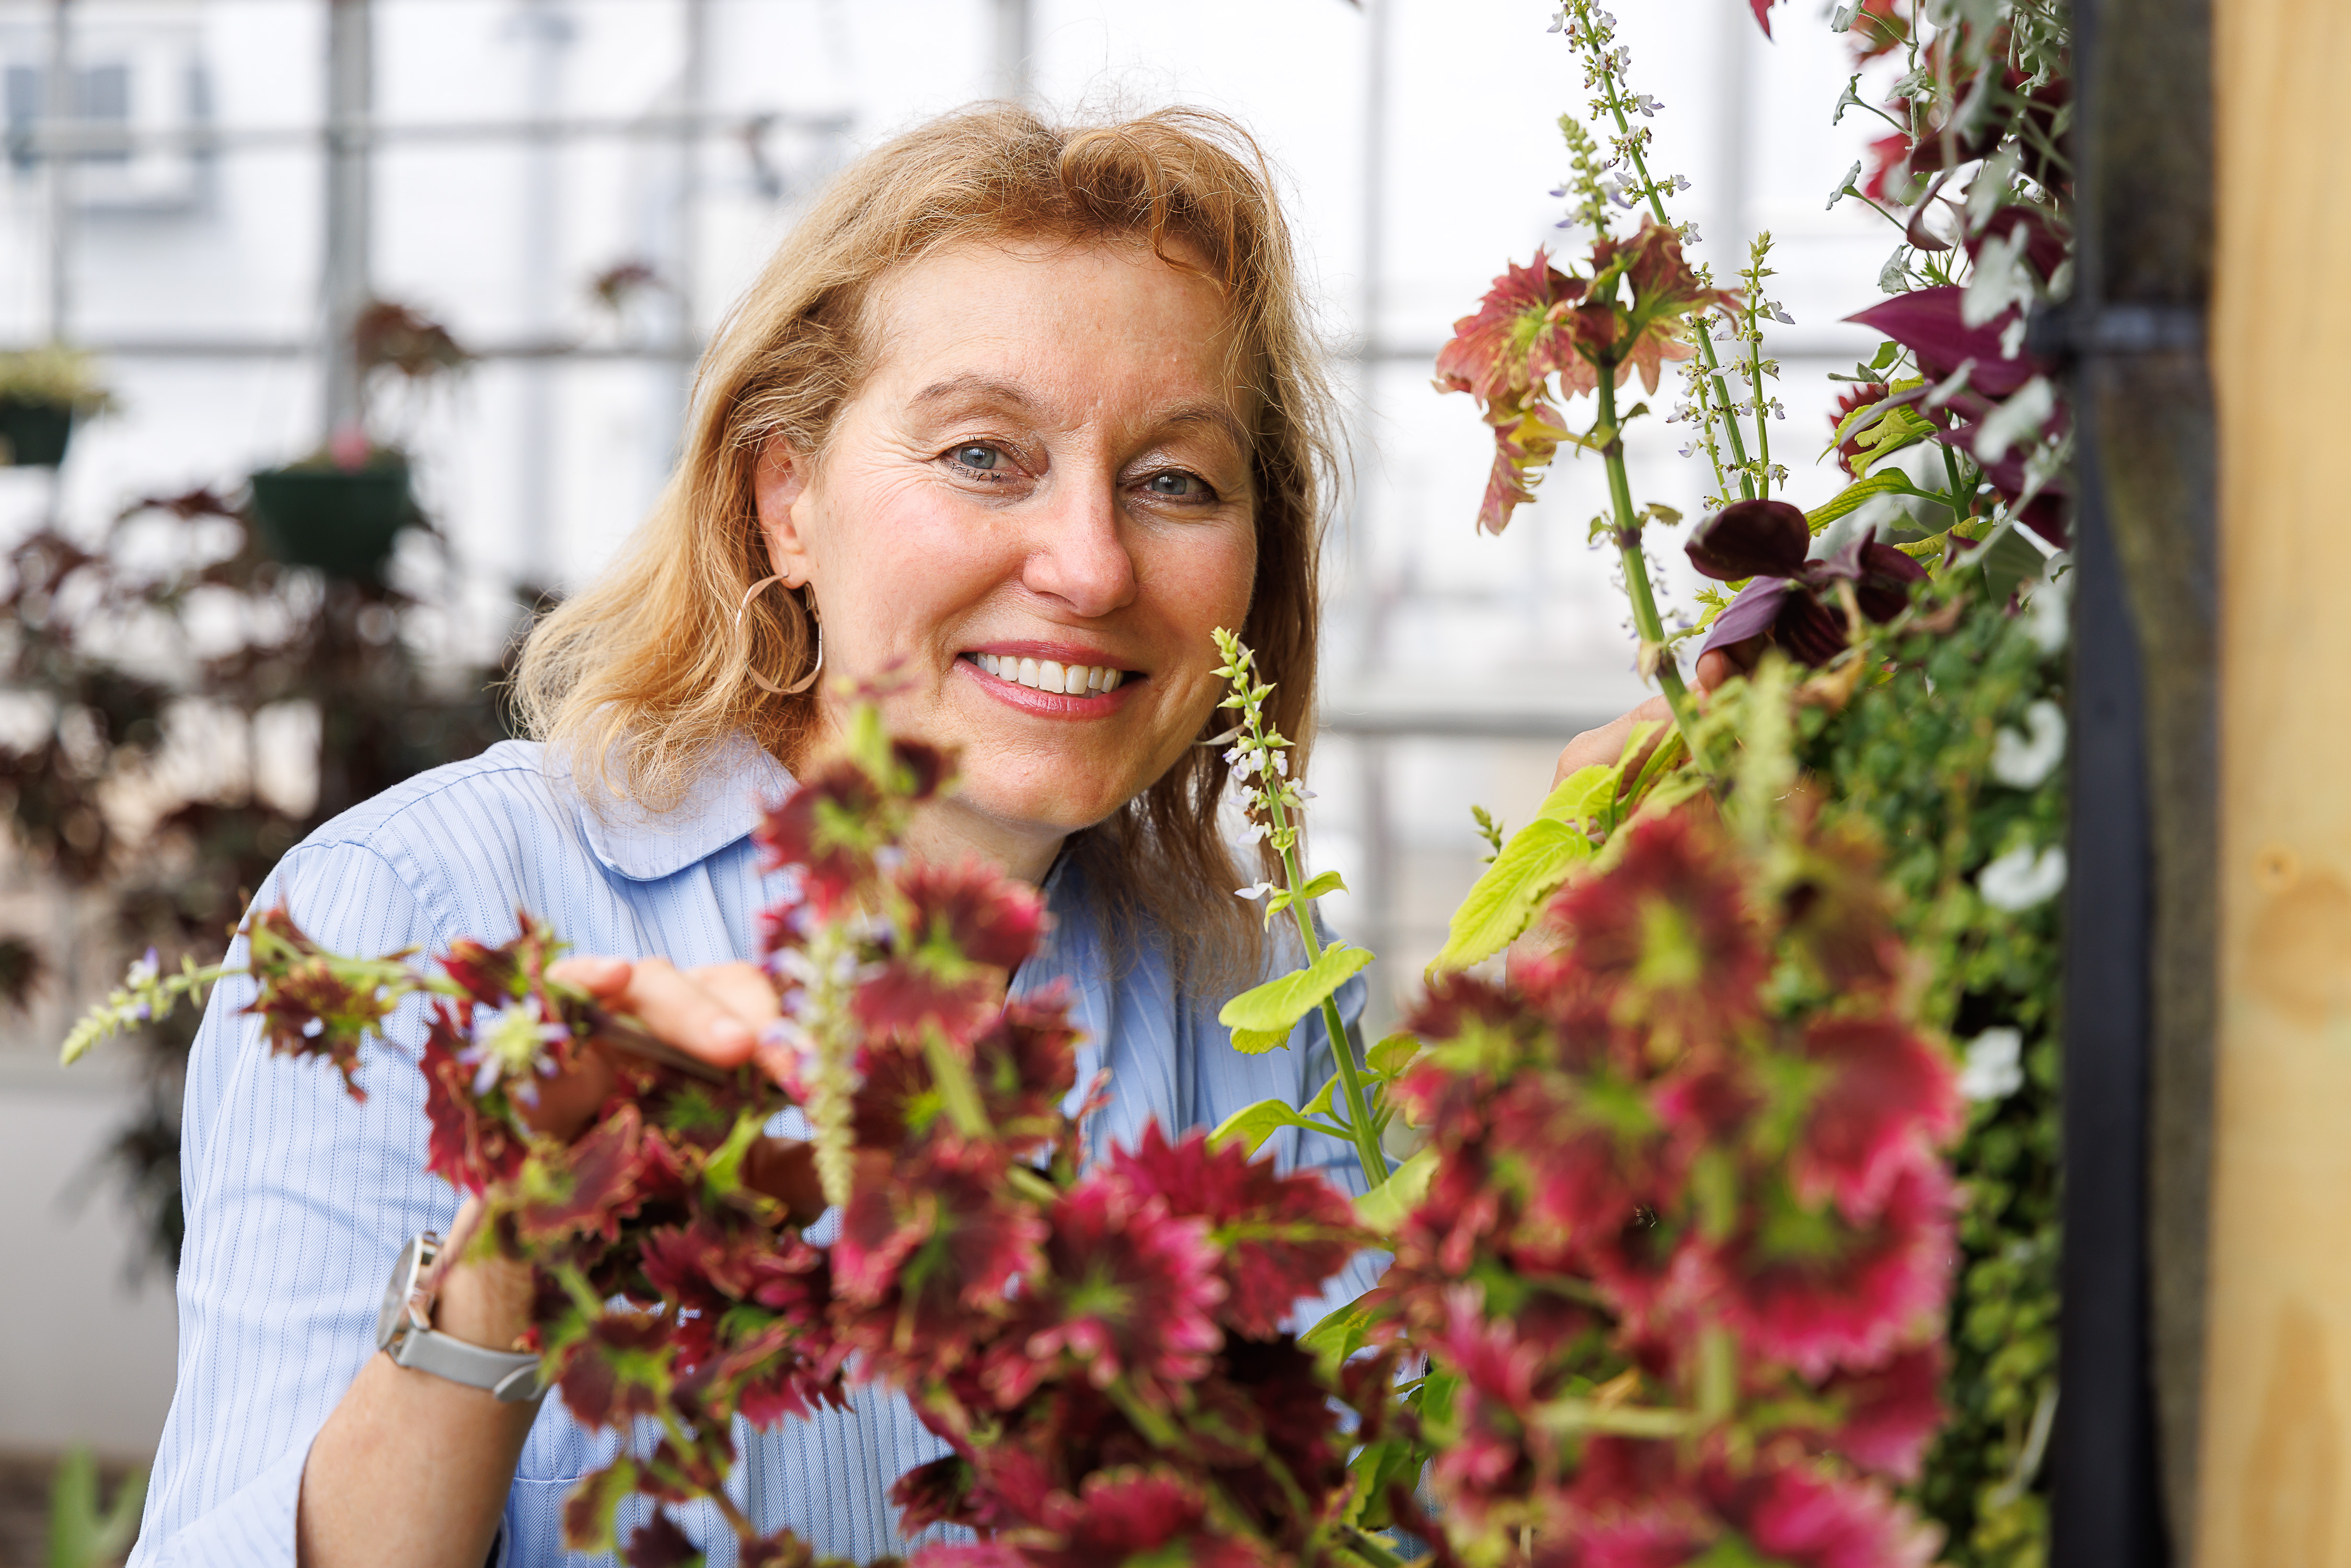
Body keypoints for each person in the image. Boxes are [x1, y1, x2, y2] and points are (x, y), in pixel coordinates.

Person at [131, 105, 1379, 1568]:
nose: (1091, 565)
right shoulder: (413, 912)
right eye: (986, 455)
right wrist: (508, 1269)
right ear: (785, 502)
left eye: (1175, 479)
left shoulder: (1266, 1002)